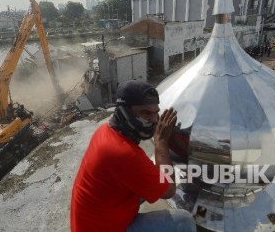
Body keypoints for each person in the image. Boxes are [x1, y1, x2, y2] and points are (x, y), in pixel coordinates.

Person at [71, 80, 196, 232]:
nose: (155, 120)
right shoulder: (124, 155)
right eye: (145, 113)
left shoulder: (105, 130)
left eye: (156, 112)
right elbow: (169, 190)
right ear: (126, 112)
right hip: (105, 228)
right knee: (184, 221)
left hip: (90, 221)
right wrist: (161, 142)